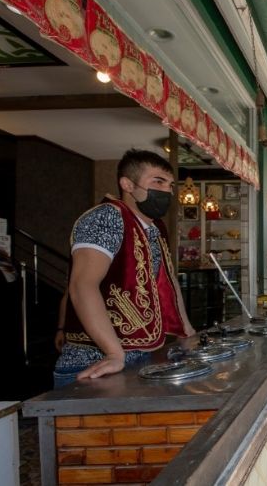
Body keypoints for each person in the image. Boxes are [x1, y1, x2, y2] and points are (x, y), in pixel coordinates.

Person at [54, 149, 195, 387]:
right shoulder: (106, 218)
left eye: (170, 185)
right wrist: (113, 353)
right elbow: (82, 285)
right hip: (93, 363)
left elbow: (168, 282)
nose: (167, 191)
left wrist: (188, 332)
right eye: (158, 182)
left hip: (139, 356)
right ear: (128, 184)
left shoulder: (155, 228)